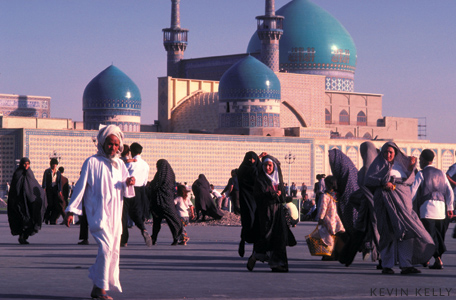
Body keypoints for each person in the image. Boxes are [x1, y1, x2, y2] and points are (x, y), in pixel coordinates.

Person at [64, 125, 136, 300]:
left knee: (112, 250)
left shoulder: (120, 164)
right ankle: (102, 290)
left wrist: (129, 182)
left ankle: (98, 286)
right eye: (110, 144)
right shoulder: (92, 162)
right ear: (103, 143)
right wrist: (71, 210)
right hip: (98, 214)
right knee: (105, 248)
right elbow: (80, 187)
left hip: (115, 215)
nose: (113, 147)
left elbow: (126, 190)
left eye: (116, 144)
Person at [365, 141, 434, 275]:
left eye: (391, 152)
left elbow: (409, 180)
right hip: (384, 202)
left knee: (406, 231)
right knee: (387, 232)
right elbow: (369, 180)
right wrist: (383, 182)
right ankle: (386, 264)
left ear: (395, 153)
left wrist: (411, 167)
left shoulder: (401, 165)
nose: (388, 154)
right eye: (386, 152)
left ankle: (406, 264)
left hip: (403, 201)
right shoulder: (377, 165)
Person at [247, 155, 296, 272]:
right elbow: (259, 195)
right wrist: (273, 194)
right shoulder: (260, 179)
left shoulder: (278, 180)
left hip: (277, 213)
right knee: (266, 236)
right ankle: (255, 256)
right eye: (265, 165)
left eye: (270, 165)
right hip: (266, 213)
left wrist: (280, 195)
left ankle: (278, 264)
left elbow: (283, 197)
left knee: (279, 238)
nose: (268, 167)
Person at [411, 149, 454, 269]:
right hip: (441, 210)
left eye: (420, 160)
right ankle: (430, 259)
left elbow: (413, 192)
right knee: (439, 236)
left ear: (423, 160)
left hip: (427, 209)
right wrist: (450, 207)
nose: (419, 162)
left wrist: (408, 206)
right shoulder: (441, 173)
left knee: (429, 236)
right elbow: (450, 191)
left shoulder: (421, 173)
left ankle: (437, 259)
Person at [342, 141, 380, 267]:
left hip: (372, 208)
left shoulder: (367, 171)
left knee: (369, 233)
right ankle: (381, 260)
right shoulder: (377, 168)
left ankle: (347, 258)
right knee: (371, 233)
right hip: (370, 208)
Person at [7, 157, 46, 244]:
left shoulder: (30, 173)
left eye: (28, 164)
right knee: (22, 219)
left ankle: (24, 236)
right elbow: (14, 188)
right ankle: (22, 236)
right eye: (25, 164)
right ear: (21, 164)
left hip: (29, 202)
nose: (26, 166)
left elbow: (34, 185)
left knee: (30, 219)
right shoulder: (18, 173)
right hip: (20, 202)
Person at [121, 142, 152, 247]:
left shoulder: (130, 163)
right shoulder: (146, 165)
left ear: (132, 151)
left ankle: (124, 240)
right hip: (140, 191)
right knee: (135, 214)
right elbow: (145, 180)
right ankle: (143, 228)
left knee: (123, 215)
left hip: (128, 189)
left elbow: (123, 175)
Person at [237, 151, 266, 257]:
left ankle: (248, 243)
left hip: (250, 200)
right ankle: (247, 243)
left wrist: (259, 157)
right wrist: (259, 158)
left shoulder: (243, 168)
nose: (251, 161)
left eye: (253, 159)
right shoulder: (252, 169)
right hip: (250, 199)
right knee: (251, 221)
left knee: (251, 222)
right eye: (249, 159)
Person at [147, 159, 183, 245]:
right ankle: (176, 237)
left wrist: (150, 185)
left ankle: (154, 238)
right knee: (172, 219)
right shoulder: (171, 174)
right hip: (168, 200)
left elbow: (155, 185)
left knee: (157, 221)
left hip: (160, 201)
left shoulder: (160, 174)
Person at [316, 176, 345, 257]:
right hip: (335, 218)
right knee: (334, 236)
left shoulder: (325, 196)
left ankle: (328, 254)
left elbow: (323, 208)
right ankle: (335, 253)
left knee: (327, 237)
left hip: (327, 219)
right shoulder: (336, 195)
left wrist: (320, 218)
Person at [42, 158, 64, 225]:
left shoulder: (58, 172)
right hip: (49, 189)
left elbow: (59, 182)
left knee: (55, 205)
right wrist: (44, 188)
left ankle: (52, 219)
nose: (54, 165)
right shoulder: (47, 171)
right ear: (51, 164)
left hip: (55, 189)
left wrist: (60, 190)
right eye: (53, 164)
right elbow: (44, 180)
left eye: (55, 164)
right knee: (50, 204)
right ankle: (46, 217)